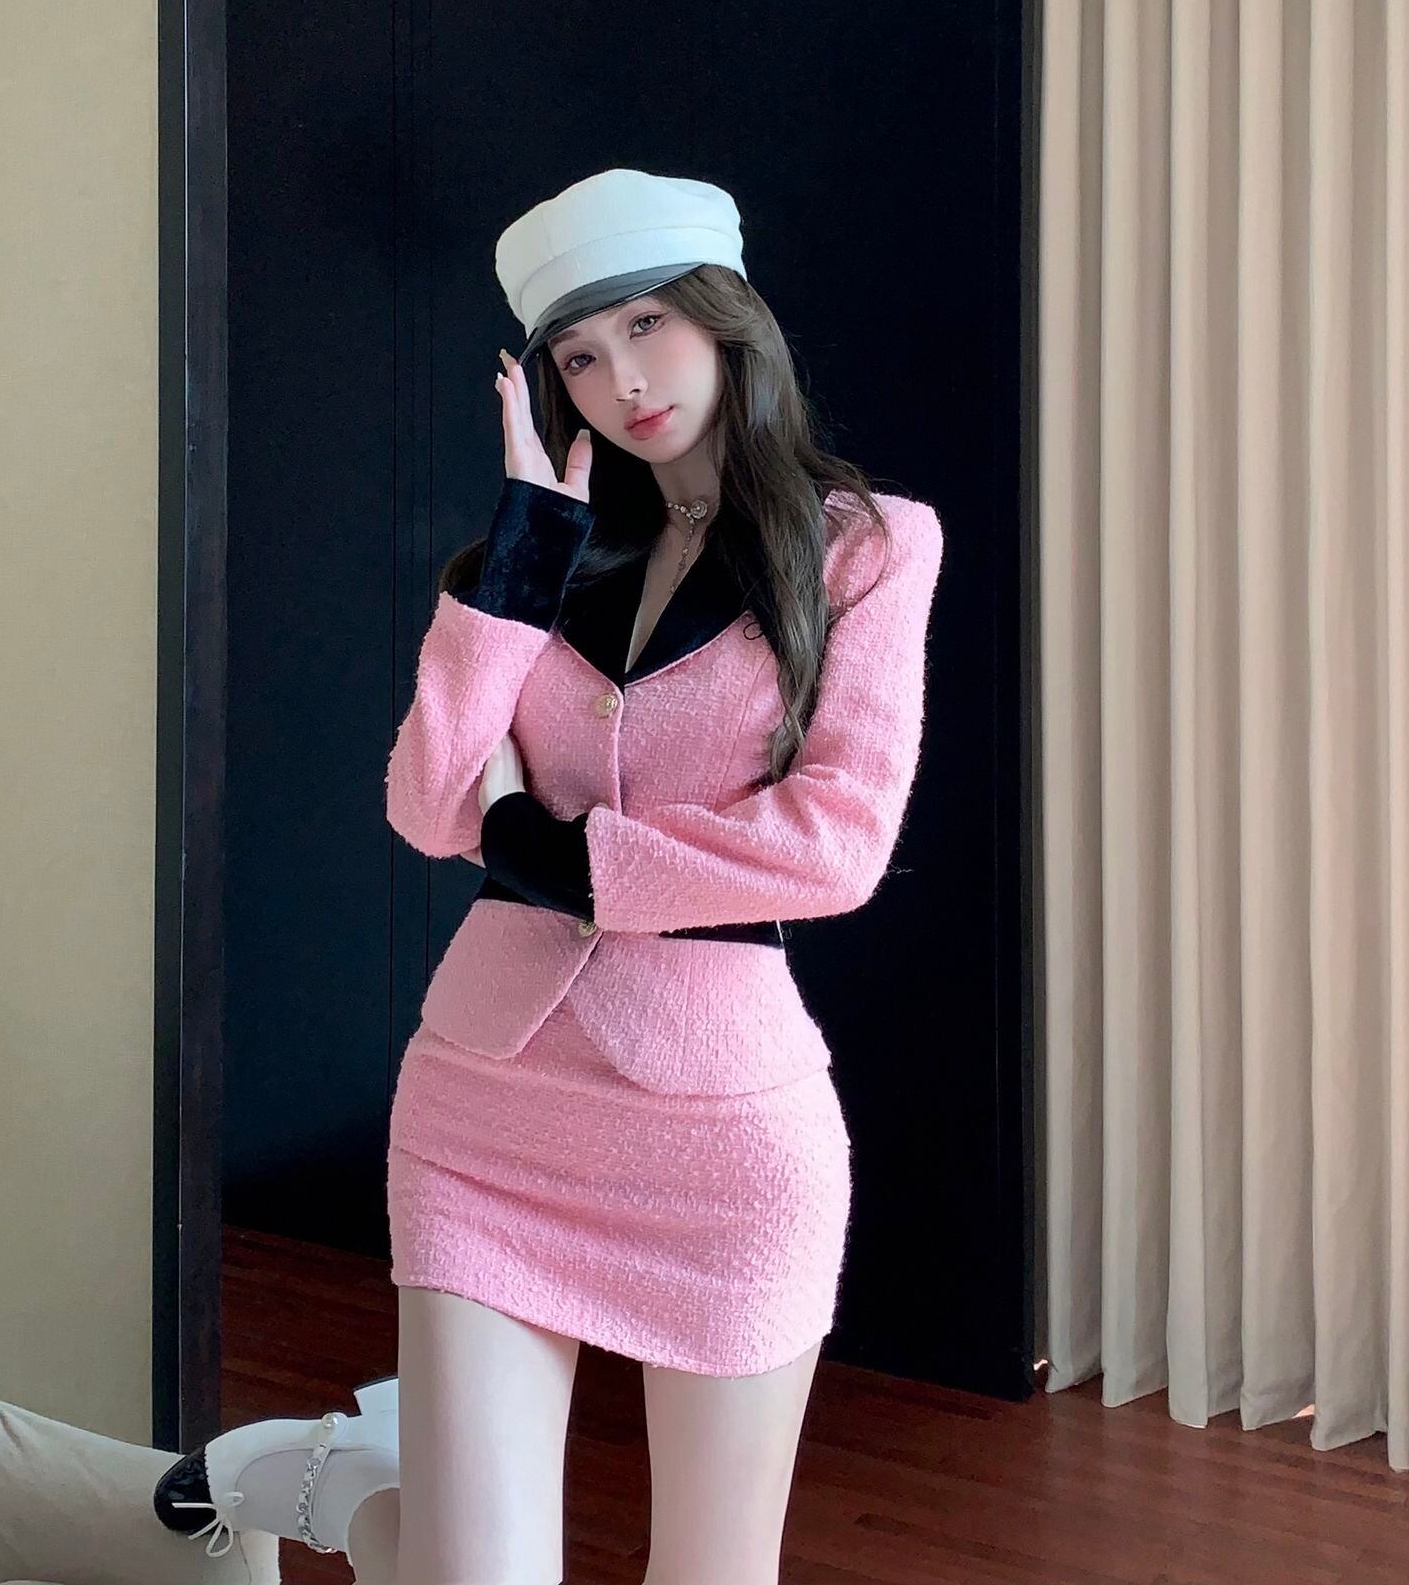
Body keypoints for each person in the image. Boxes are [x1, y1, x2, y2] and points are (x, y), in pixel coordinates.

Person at [153, 167, 945, 1585]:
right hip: (488, 1109)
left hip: (724, 1132)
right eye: (579, 356)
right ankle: (345, 1485)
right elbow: (428, 801)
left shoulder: (867, 549)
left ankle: (333, 1481)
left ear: (726, 317)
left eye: (647, 325)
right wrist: (524, 551)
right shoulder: (530, 562)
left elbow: (835, 841)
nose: (622, 380)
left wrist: (549, 854)